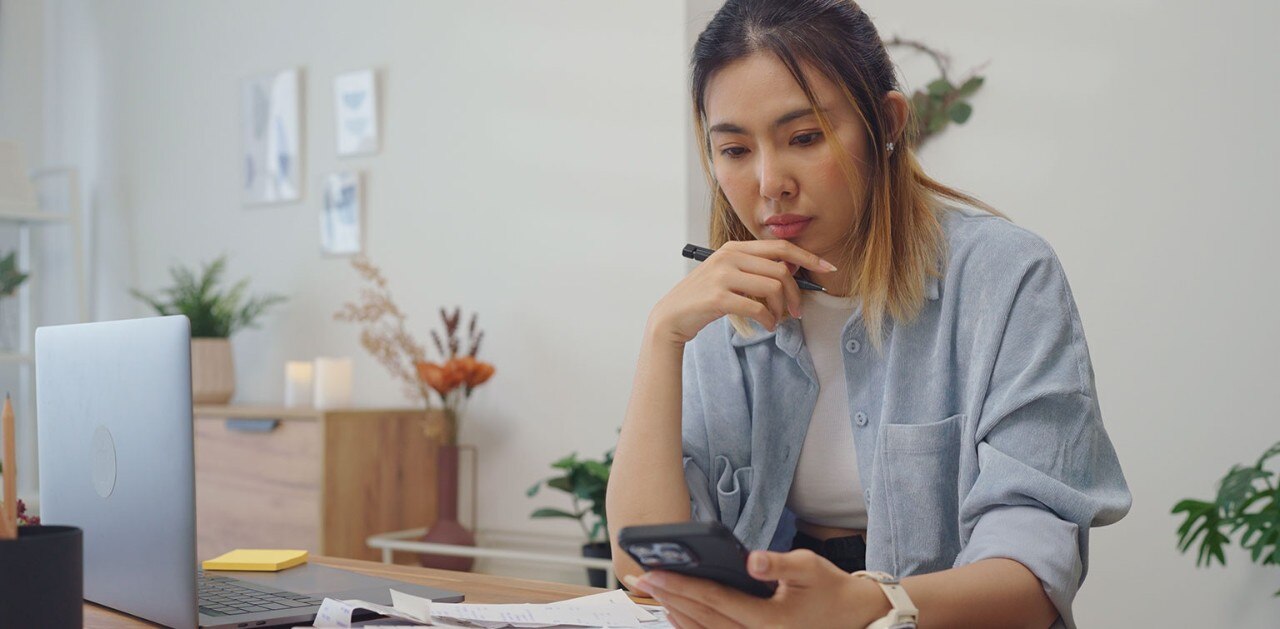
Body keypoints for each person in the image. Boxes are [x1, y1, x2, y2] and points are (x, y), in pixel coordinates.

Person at [605, 1, 1131, 627]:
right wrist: (663, 335)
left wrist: (871, 609)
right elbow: (643, 565)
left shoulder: (1006, 277)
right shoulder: (719, 308)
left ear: (886, 122)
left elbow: (1032, 575)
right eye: (736, 150)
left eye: (804, 138)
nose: (769, 182)